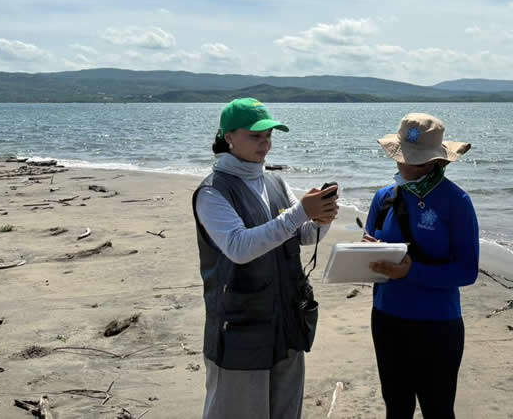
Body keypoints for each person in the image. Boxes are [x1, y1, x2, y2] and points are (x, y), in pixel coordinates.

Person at [192, 98, 339, 419]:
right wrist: (301, 212)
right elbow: (239, 247)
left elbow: (303, 236)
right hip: (240, 330)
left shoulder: (275, 181)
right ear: (229, 137)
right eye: (255, 136)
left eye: (269, 135)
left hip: (287, 322)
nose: (266, 143)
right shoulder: (212, 192)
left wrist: (321, 219)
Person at [364, 112, 479, 419]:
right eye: (401, 157)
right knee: (396, 408)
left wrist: (411, 271)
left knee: (438, 410)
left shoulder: (457, 202)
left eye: (414, 161)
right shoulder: (383, 198)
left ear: (436, 161)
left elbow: (467, 271)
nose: (404, 165)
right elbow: (371, 257)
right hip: (386, 319)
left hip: (437, 325)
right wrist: (363, 254)